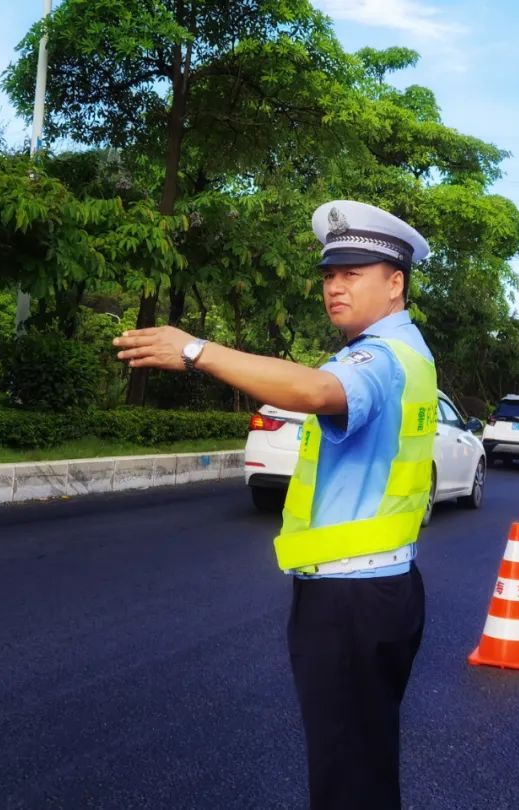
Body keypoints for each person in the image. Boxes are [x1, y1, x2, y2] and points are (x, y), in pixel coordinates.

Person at [112, 200, 436, 809]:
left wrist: (194, 350)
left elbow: (318, 390)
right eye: (329, 274)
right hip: (378, 587)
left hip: (352, 599)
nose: (335, 288)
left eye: (354, 273)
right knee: (363, 766)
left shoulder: (380, 358)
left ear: (395, 284)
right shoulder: (408, 350)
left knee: (348, 778)